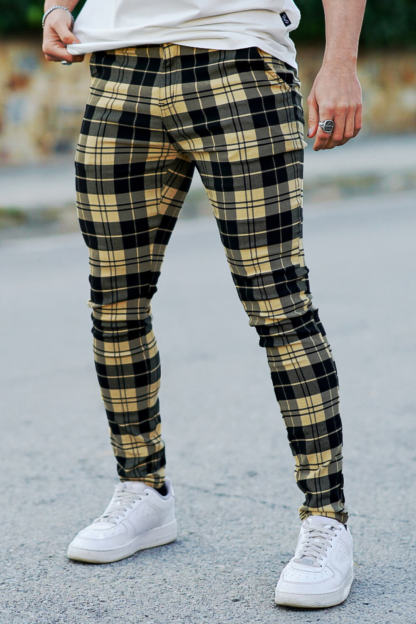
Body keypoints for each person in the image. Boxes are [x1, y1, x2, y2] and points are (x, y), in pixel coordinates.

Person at [42, 0, 366, 608]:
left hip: (239, 62)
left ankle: (327, 519)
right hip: (118, 70)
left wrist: (341, 62)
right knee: (115, 304)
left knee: (279, 303)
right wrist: (57, 6)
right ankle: (143, 489)